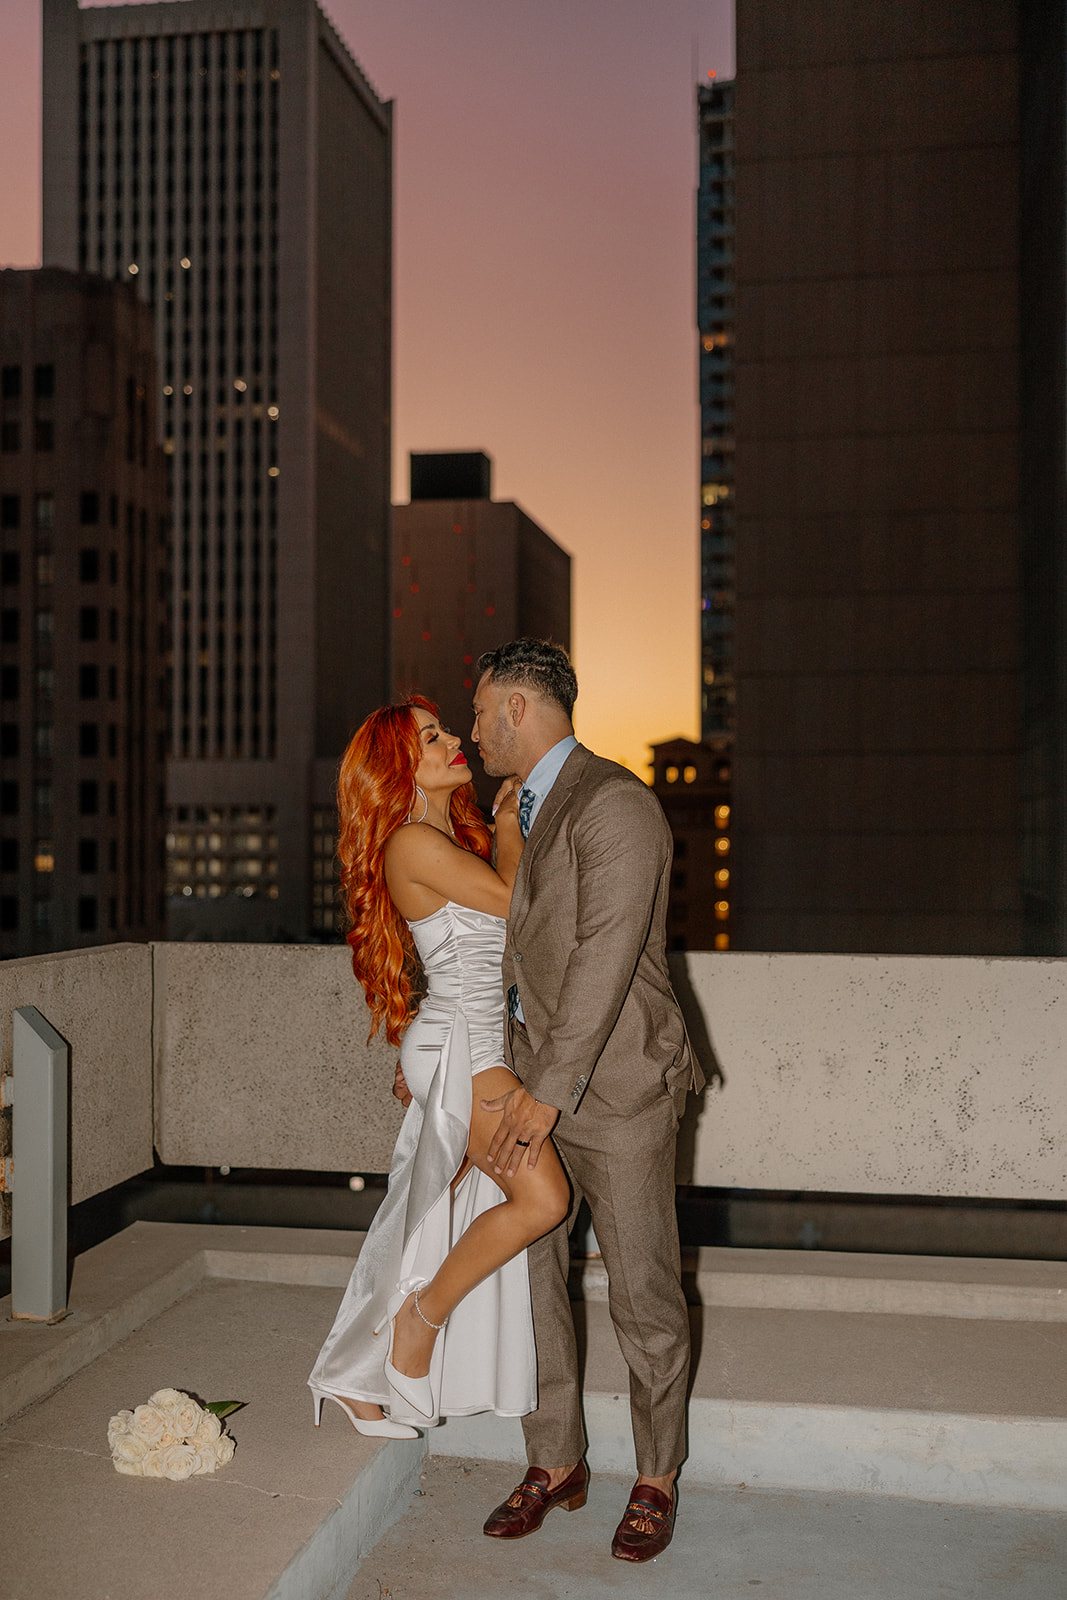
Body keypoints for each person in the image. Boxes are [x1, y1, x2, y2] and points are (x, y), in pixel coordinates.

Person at [470, 639, 703, 1563]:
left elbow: (604, 961)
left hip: (618, 1090)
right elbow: (515, 948)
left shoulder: (618, 805)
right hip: (536, 1084)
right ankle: (553, 1461)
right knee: (533, 1284)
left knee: (643, 1291)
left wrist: (545, 1096)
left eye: (482, 711)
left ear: (520, 709)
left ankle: (655, 1477)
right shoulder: (521, 811)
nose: (477, 729)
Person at [308, 695, 570, 1437]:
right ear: (400, 765)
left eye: (446, 729)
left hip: (465, 1047)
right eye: (432, 737)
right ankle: (415, 1327)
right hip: (466, 1053)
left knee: (415, 1219)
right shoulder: (412, 845)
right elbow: (521, 907)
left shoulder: (434, 840)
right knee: (542, 1200)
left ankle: (351, 1379)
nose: (454, 739)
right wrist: (516, 825)